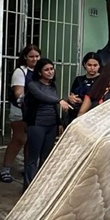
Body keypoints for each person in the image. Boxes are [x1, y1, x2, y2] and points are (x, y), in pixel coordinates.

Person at [22, 58, 71, 189]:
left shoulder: (52, 86)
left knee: (46, 158)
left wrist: (59, 123)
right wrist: (59, 100)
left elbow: (53, 106)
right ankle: (28, 188)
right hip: (37, 124)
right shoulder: (33, 85)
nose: (50, 72)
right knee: (33, 157)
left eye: (51, 69)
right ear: (39, 72)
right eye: (46, 70)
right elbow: (42, 97)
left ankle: (42, 187)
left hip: (51, 125)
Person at [0, 44, 41, 183]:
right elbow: (18, 93)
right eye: (31, 56)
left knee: (31, 140)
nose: (34, 59)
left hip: (36, 112)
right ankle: (5, 169)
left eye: (37, 56)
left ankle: (28, 169)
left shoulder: (40, 71)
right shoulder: (20, 72)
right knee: (19, 139)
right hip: (20, 110)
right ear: (25, 57)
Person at [66, 52, 101, 125]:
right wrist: (71, 99)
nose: (92, 68)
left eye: (95, 65)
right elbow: (72, 95)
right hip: (76, 115)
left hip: (95, 116)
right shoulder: (79, 79)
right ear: (84, 65)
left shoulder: (102, 80)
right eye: (89, 65)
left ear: (99, 66)